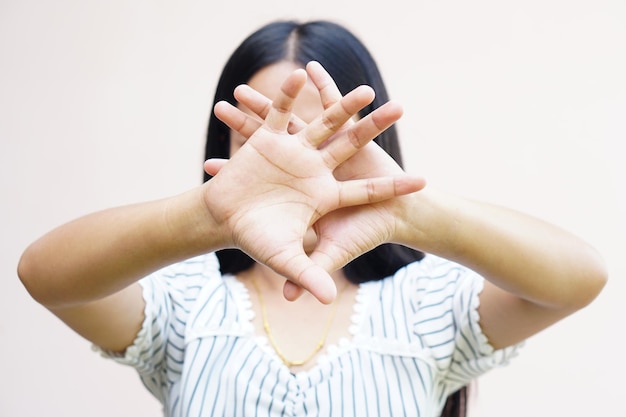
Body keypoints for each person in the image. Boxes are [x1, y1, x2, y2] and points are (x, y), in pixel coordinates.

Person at [17, 19, 607, 417]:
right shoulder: (186, 304)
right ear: (228, 138)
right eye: (271, 128)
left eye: (320, 127)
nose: (296, 156)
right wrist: (211, 216)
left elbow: (580, 277)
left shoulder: (424, 306)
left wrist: (405, 210)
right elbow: (45, 275)